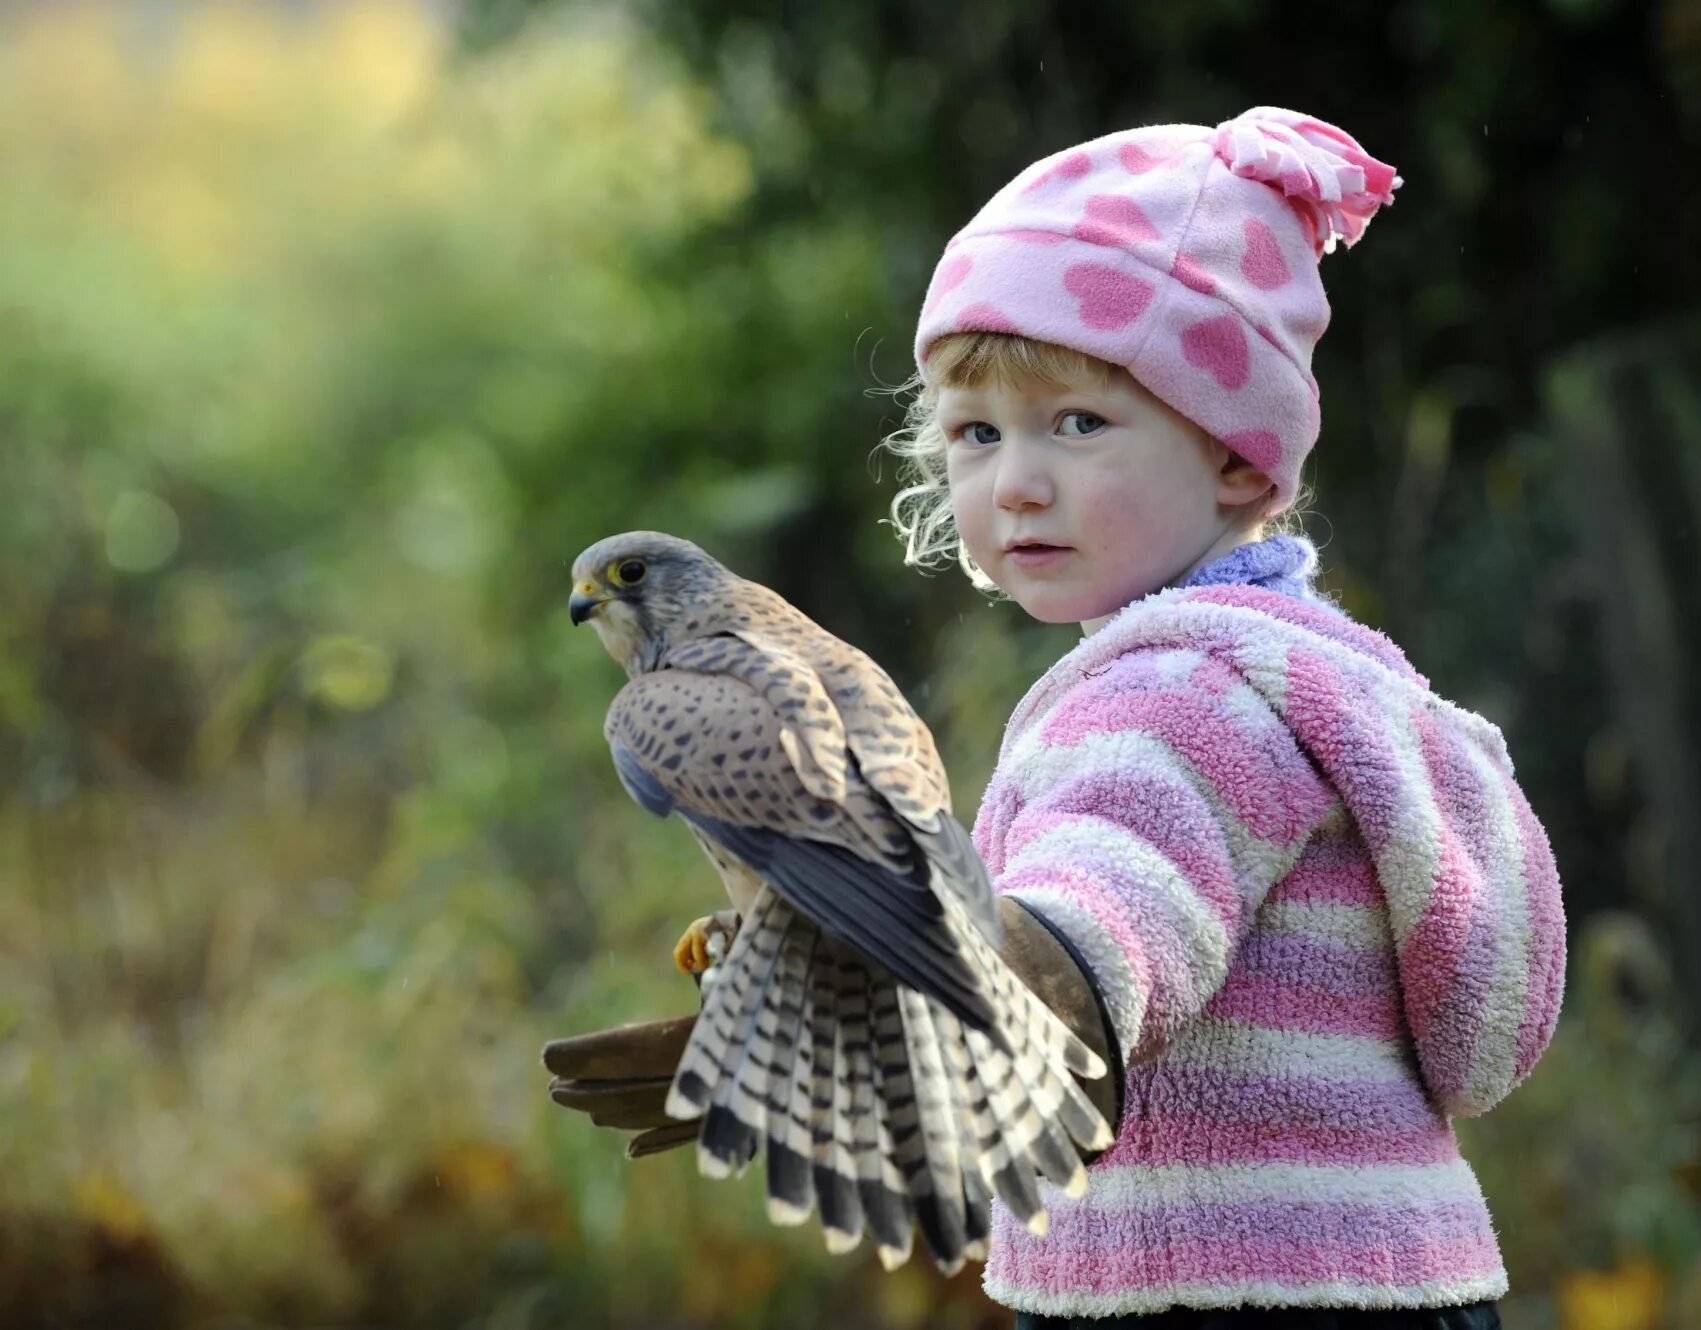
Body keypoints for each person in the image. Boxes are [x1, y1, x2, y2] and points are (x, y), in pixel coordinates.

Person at [546, 107, 1564, 1330]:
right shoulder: (1308, 673)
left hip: (1231, 1297)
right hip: (1359, 1275)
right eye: (975, 435)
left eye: (1076, 423)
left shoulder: (1181, 695)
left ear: (1238, 461)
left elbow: (1114, 914)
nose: (1014, 480)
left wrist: (954, 988)